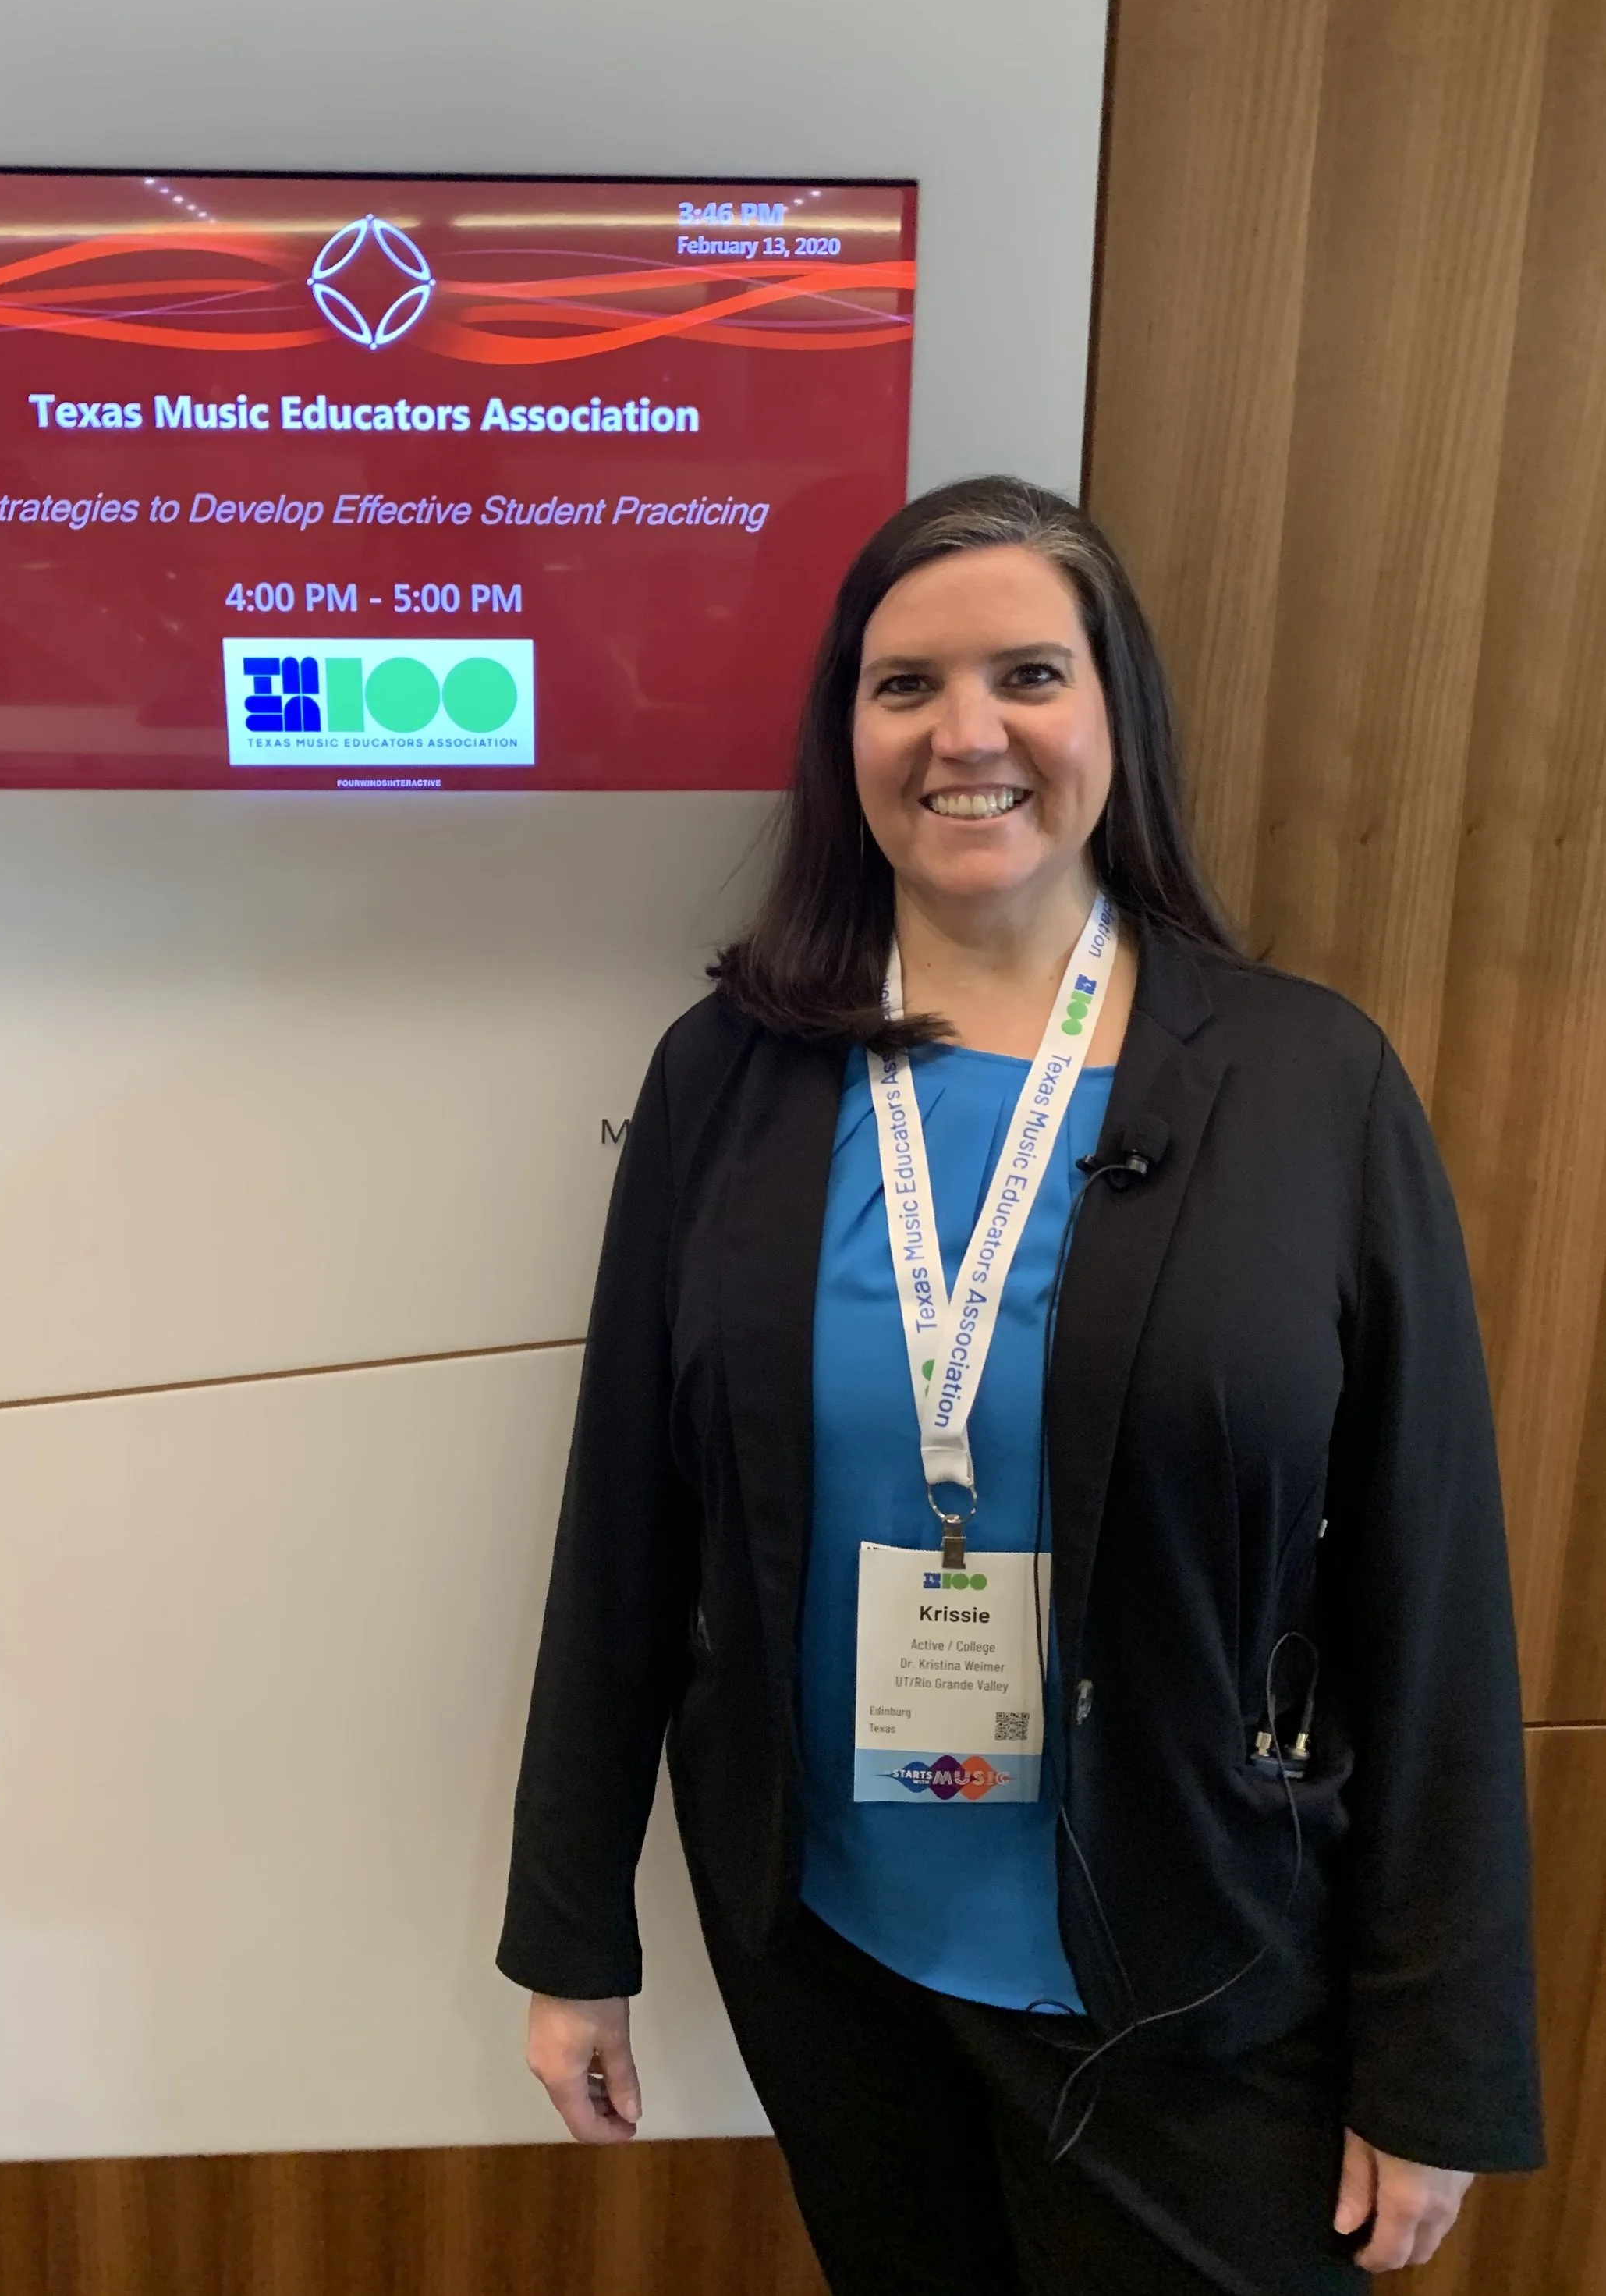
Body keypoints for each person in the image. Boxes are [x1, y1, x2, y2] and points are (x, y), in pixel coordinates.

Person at [497, 477, 1541, 2293]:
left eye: (1026, 675)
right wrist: (568, 1928)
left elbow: (1424, 1584)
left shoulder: (1306, 1082)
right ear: (847, 740)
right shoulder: (726, 1079)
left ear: (1110, 718)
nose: (963, 732)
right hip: (832, 1950)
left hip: (1193, 1961)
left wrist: (1435, 2050)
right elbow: (623, 1527)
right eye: (904, 685)